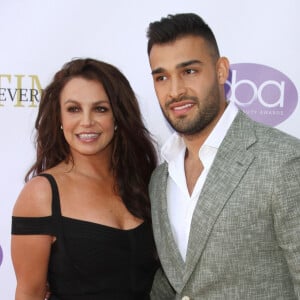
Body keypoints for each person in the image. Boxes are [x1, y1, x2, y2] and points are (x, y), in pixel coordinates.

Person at [146, 13, 300, 299]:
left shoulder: (284, 163)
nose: (176, 90)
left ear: (221, 71)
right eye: (162, 77)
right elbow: (176, 283)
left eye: (189, 71)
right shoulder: (160, 179)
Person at [11, 58, 159, 299]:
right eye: (73, 109)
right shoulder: (42, 194)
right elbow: (29, 293)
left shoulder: (145, 183)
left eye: (100, 108)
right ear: (59, 118)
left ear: (118, 117)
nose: (87, 121)